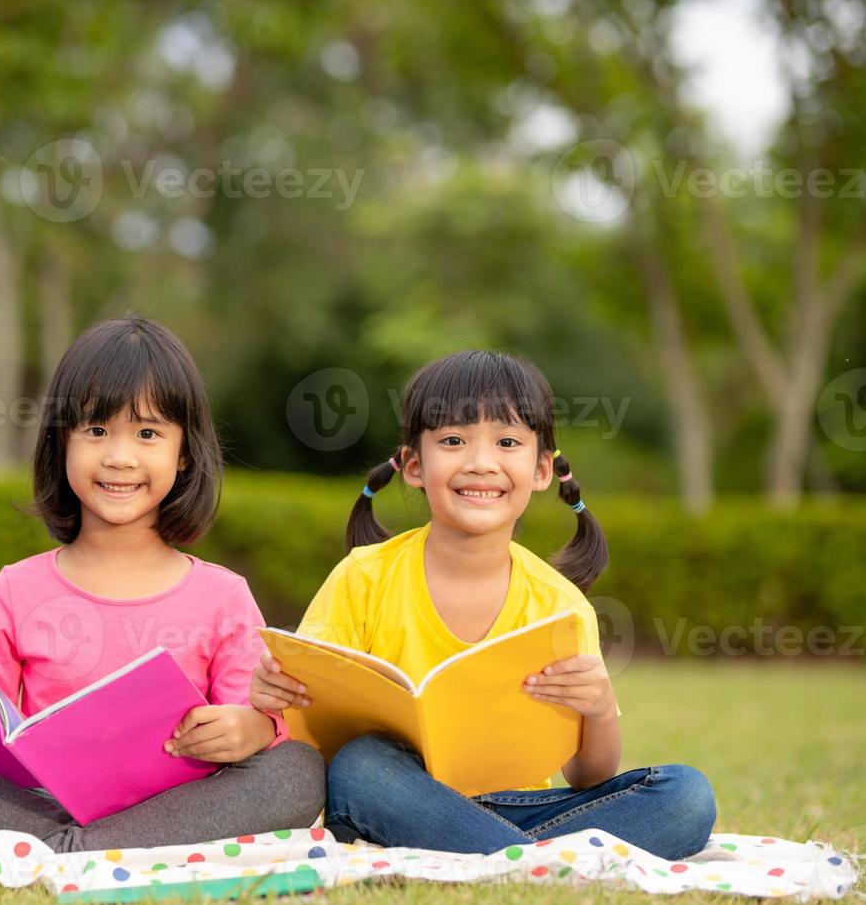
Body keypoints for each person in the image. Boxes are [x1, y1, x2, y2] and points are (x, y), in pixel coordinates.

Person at [0, 316, 326, 850]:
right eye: (96, 431)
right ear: (62, 444)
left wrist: (250, 730)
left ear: (184, 452)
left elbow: (251, 721)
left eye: (147, 433)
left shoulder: (224, 596)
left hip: (176, 810)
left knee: (297, 770)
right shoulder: (12, 592)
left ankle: (56, 848)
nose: (120, 457)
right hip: (38, 801)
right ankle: (73, 844)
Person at [251, 350, 716, 860]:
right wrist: (277, 694)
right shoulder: (363, 577)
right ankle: (536, 862)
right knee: (361, 764)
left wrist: (601, 709)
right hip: (392, 798)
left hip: (522, 808)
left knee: (686, 797)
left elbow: (588, 777)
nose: (480, 463)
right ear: (413, 465)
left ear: (541, 470)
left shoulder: (558, 605)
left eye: (508, 442)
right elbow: (318, 738)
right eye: (452, 441)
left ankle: (501, 856)